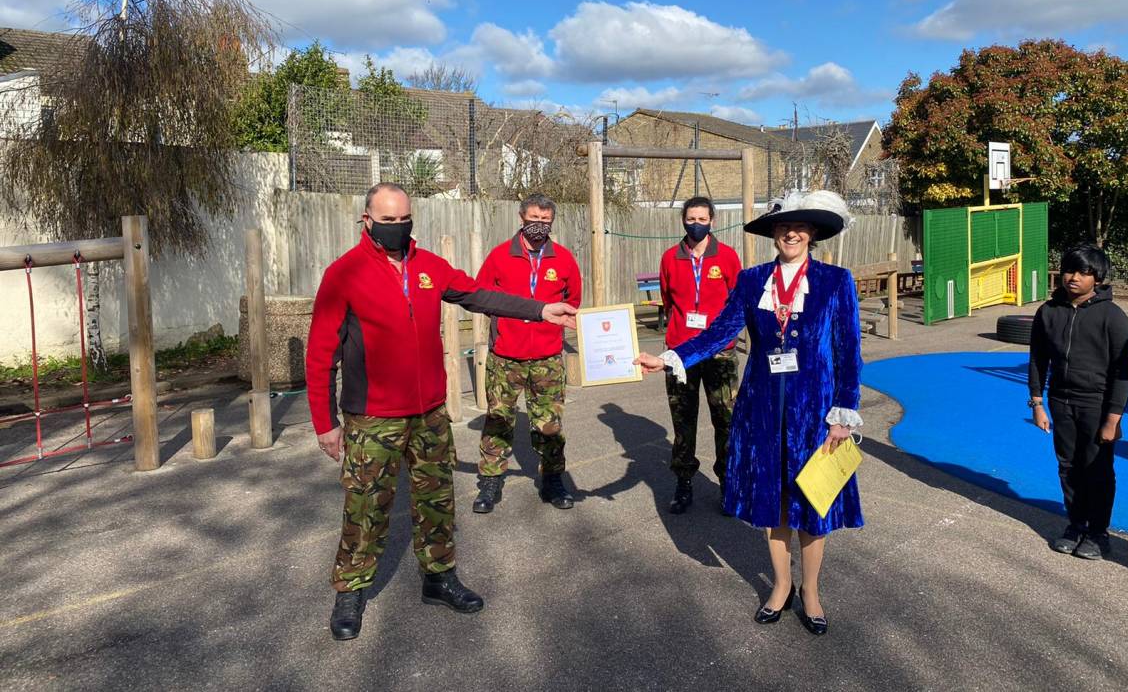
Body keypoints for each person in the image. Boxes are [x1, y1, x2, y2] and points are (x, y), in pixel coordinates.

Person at [306, 182, 577, 641]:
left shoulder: (429, 267)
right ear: (366, 220)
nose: (397, 227)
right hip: (373, 417)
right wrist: (325, 424)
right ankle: (351, 591)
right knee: (366, 506)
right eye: (387, 220)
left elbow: (479, 296)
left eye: (403, 218)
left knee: (436, 502)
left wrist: (538, 310)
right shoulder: (344, 273)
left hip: (430, 413)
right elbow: (320, 354)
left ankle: (439, 576)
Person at [637, 190, 864, 636]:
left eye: (799, 227)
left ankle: (811, 591)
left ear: (812, 234)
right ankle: (781, 586)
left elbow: (849, 352)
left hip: (815, 411)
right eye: (783, 227)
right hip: (761, 407)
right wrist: (668, 357)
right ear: (774, 234)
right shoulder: (752, 279)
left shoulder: (836, 281)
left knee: (814, 503)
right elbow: (721, 331)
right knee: (774, 502)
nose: (791, 233)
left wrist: (843, 412)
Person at [472, 193, 583, 513]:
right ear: (521, 218)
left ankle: (552, 480)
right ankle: (490, 481)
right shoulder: (499, 256)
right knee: (498, 421)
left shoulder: (562, 259)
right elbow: (480, 295)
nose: (539, 225)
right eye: (534, 219)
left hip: (548, 358)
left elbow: (573, 300)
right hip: (505, 356)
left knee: (549, 425)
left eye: (545, 221)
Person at [1029, 243, 1128, 561]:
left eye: (1083, 272)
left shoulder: (1113, 317)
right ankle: (1076, 524)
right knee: (1068, 466)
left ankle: (1098, 533)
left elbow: (1123, 372)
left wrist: (1112, 419)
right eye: (1070, 270)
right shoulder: (1048, 312)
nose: (1073, 277)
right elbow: (1038, 360)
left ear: (1097, 278)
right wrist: (1037, 403)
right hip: (1060, 401)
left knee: (1098, 469)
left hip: (1097, 404)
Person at [657, 196, 742, 514]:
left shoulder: (728, 257)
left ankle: (728, 482)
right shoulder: (670, 258)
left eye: (702, 219)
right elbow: (668, 300)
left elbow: (737, 302)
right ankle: (683, 482)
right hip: (680, 354)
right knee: (683, 421)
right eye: (691, 218)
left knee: (726, 420)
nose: (696, 224)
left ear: (712, 221)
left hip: (720, 352)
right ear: (683, 220)